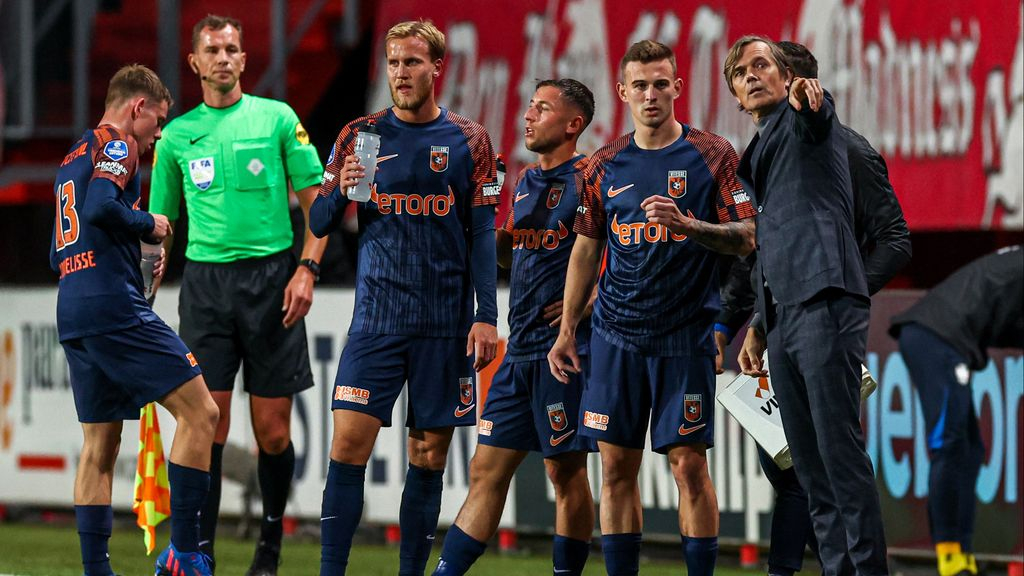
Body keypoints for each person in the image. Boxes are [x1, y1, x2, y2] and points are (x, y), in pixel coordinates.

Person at [548, 40, 756, 576]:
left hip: (684, 337)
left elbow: (749, 235)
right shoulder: (601, 165)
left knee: (689, 467)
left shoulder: (713, 154)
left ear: (677, 89)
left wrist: (691, 226)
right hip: (616, 337)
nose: (650, 94)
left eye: (661, 83)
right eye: (639, 85)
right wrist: (568, 328)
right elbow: (587, 247)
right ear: (623, 92)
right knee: (616, 469)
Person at [309, 19, 500, 576]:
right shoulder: (364, 137)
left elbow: (482, 233)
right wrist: (341, 190)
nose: (400, 73)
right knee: (347, 446)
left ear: (436, 67)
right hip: (378, 319)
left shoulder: (468, 140)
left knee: (428, 456)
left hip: (444, 322)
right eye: (393, 63)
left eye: (412, 63)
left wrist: (486, 316)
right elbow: (321, 219)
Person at [715, 41, 911, 576]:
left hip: (824, 308)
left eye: (767, 67)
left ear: (796, 80)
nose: (756, 77)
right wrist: (759, 320)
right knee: (808, 470)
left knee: (839, 458)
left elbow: (895, 239)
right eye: (742, 71)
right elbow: (776, 241)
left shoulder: (834, 136)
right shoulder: (762, 152)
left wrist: (840, 290)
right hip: (784, 316)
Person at [148, 15, 327, 575]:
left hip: (273, 281)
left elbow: (316, 202)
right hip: (205, 287)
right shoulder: (176, 136)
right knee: (208, 421)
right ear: (195, 63)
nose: (223, 57)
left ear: (244, 60)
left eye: (232, 48)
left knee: (272, 430)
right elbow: (160, 225)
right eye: (212, 50)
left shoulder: (277, 119)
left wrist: (307, 270)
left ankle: (270, 550)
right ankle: (199, 552)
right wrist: (140, 287)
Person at [50, 64, 219, 576]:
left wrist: (132, 247)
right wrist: (151, 224)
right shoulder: (118, 143)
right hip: (112, 306)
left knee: (99, 447)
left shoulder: (70, 157)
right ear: (137, 108)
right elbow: (104, 206)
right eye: (159, 120)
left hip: (73, 306)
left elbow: (58, 247)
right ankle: (184, 556)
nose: (159, 134)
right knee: (202, 413)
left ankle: (96, 570)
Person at [432, 79, 597, 576]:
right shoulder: (524, 181)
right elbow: (511, 251)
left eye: (542, 109)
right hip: (518, 347)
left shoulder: (593, 177)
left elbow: (628, 247)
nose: (528, 116)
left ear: (573, 124)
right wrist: (478, 225)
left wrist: (591, 300)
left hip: (561, 352)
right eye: (529, 106)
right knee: (485, 469)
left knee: (564, 472)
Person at [890, 245, 1023, 576]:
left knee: (969, 450)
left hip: (939, 336)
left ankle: (961, 552)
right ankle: (949, 555)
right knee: (949, 445)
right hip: (935, 337)